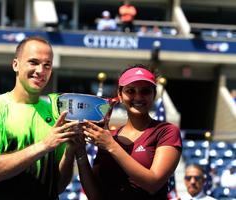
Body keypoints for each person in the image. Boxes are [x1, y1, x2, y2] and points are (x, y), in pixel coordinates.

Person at [0, 36, 81, 200]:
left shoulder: (56, 112)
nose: (40, 70)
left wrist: (70, 152)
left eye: (47, 65)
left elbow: (57, 186)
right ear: (15, 64)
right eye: (33, 62)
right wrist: (44, 145)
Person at [76, 64, 182, 200]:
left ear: (154, 95)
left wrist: (111, 146)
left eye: (145, 91)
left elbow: (153, 183)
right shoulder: (109, 137)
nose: (138, 97)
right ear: (120, 95)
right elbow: (95, 196)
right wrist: (80, 152)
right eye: (131, 91)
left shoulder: (166, 131)